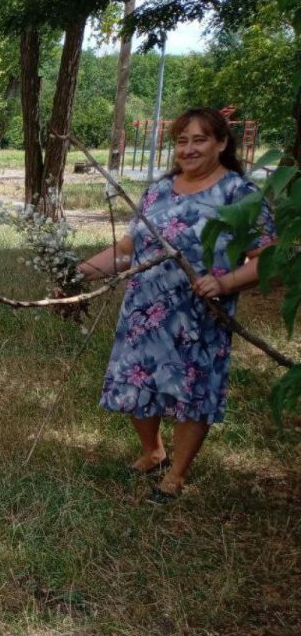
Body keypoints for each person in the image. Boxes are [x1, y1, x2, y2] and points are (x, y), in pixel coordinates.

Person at [78, 107, 276, 502]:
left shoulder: (240, 194)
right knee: (138, 384)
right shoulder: (159, 190)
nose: (189, 149)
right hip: (144, 310)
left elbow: (269, 259)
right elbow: (126, 250)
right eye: (181, 141)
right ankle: (153, 452)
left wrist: (224, 282)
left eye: (199, 139)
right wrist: (78, 272)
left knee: (191, 395)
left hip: (199, 317)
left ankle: (176, 477)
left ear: (221, 143)